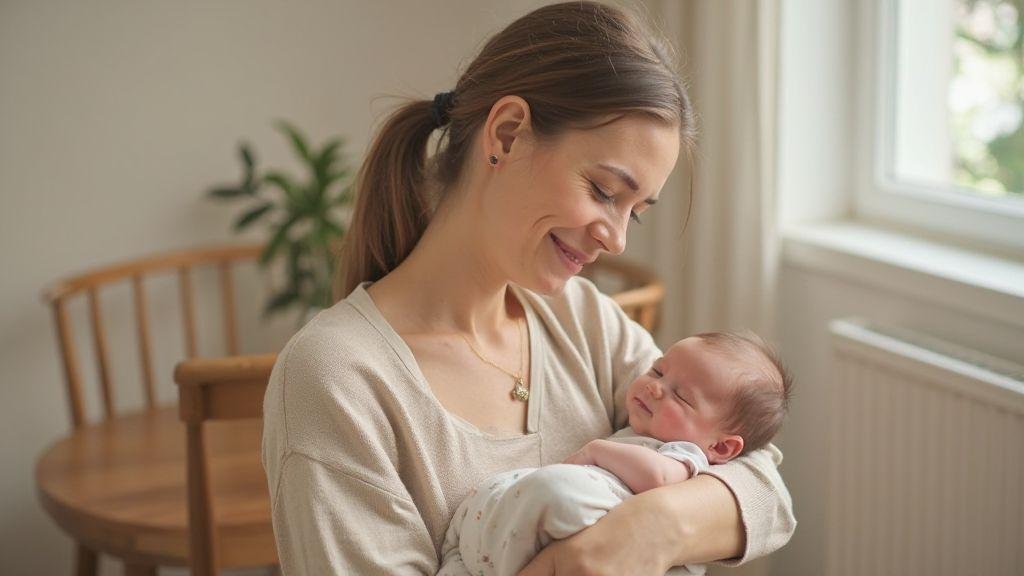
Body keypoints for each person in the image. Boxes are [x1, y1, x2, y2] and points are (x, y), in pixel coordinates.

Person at [260, 2, 796, 574]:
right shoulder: (338, 377)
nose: (616, 240)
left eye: (634, 212)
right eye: (604, 191)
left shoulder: (584, 320)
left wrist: (645, 533)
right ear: (508, 134)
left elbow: (764, 488)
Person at [437, 331, 793, 576]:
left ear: (721, 447)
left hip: (595, 525)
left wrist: (596, 451)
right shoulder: (640, 428)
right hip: (504, 539)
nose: (654, 387)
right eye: (657, 370)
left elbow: (658, 478)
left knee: (560, 493)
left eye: (681, 397)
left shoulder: (686, 455)